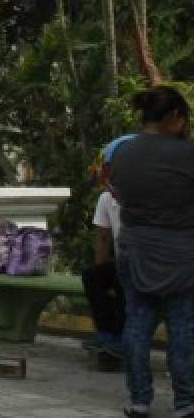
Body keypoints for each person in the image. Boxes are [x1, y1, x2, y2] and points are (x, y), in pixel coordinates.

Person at [108, 85, 194, 418]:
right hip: (182, 251)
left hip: (135, 247)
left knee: (138, 323)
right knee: (183, 326)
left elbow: (116, 193)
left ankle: (139, 400)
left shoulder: (122, 154)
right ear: (174, 117)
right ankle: (186, 404)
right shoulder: (188, 154)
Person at [80, 135, 134, 357]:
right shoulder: (106, 199)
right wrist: (101, 271)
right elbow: (102, 238)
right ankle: (106, 334)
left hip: (151, 265)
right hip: (124, 262)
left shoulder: (150, 194)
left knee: (125, 277)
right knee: (93, 275)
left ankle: (122, 339)